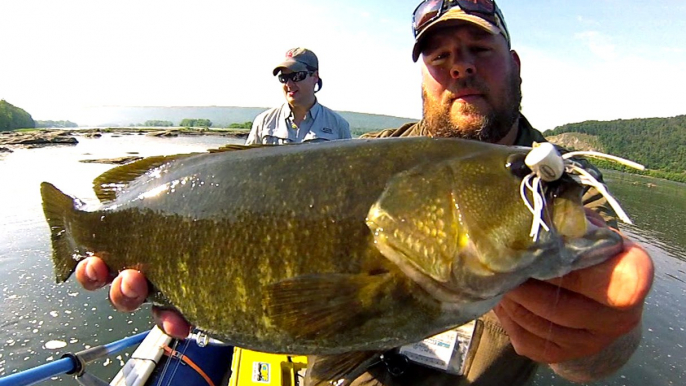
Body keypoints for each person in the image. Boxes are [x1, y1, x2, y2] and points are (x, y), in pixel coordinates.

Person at [75, 1, 654, 385]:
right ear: (422, 74)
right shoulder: (361, 156)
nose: (461, 68)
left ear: (514, 63)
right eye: (440, 55)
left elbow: (601, 344)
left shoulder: (556, 191)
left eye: (480, 51)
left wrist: (599, 338)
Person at [245, 47, 351, 145]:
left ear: (315, 77)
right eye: (284, 78)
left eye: (296, 76)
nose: (289, 84)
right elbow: (246, 163)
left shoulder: (338, 126)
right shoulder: (264, 122)